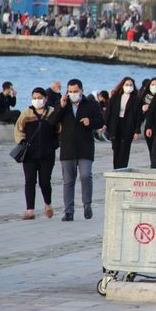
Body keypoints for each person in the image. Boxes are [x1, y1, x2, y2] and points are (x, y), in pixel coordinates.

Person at [47, 79, 104, 221]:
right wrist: (60, 106)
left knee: (86, 176)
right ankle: (69, 212)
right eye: (70, 91)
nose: (73, 94)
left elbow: (101, 121)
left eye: (75, 91)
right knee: (68, 181)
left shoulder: (91, 104)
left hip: (85, 147)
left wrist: (90, 122)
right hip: (67, 148)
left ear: (82, 91)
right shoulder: (62, 104)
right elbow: (52, 121)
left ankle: (87, 204)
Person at [14, 88, 59, 220]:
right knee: (29, 181)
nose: (37, 100)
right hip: (29, 154)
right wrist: (22, 141)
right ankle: (30, 210)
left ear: (45, 99)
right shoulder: (26, 113)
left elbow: (59, 130)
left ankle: (48, 204)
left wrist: (55, 144)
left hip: (47, 154)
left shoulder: (52, 112)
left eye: (39, 97)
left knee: (45, 181)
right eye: (34, 97)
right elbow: (18, 129)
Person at [105, 77, 142, 169]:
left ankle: (123, 168)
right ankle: (116, 168)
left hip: (129, 126)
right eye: (127, 85)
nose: (128, 87)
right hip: (116, 125)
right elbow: (108, 112)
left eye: (130, 85)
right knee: (116, 148)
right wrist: (105, 124)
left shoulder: (136, 100)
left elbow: (138, 116)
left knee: (125, 149)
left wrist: (137, 131)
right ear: (122, 86)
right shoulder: (115, 98)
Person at [140, 78, 156, 168]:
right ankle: (154, 166)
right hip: (148, 126)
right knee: (152, 149)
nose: (155, 87)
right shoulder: (144, 98)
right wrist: (143, 109)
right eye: (152, 85)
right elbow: (138, 114)